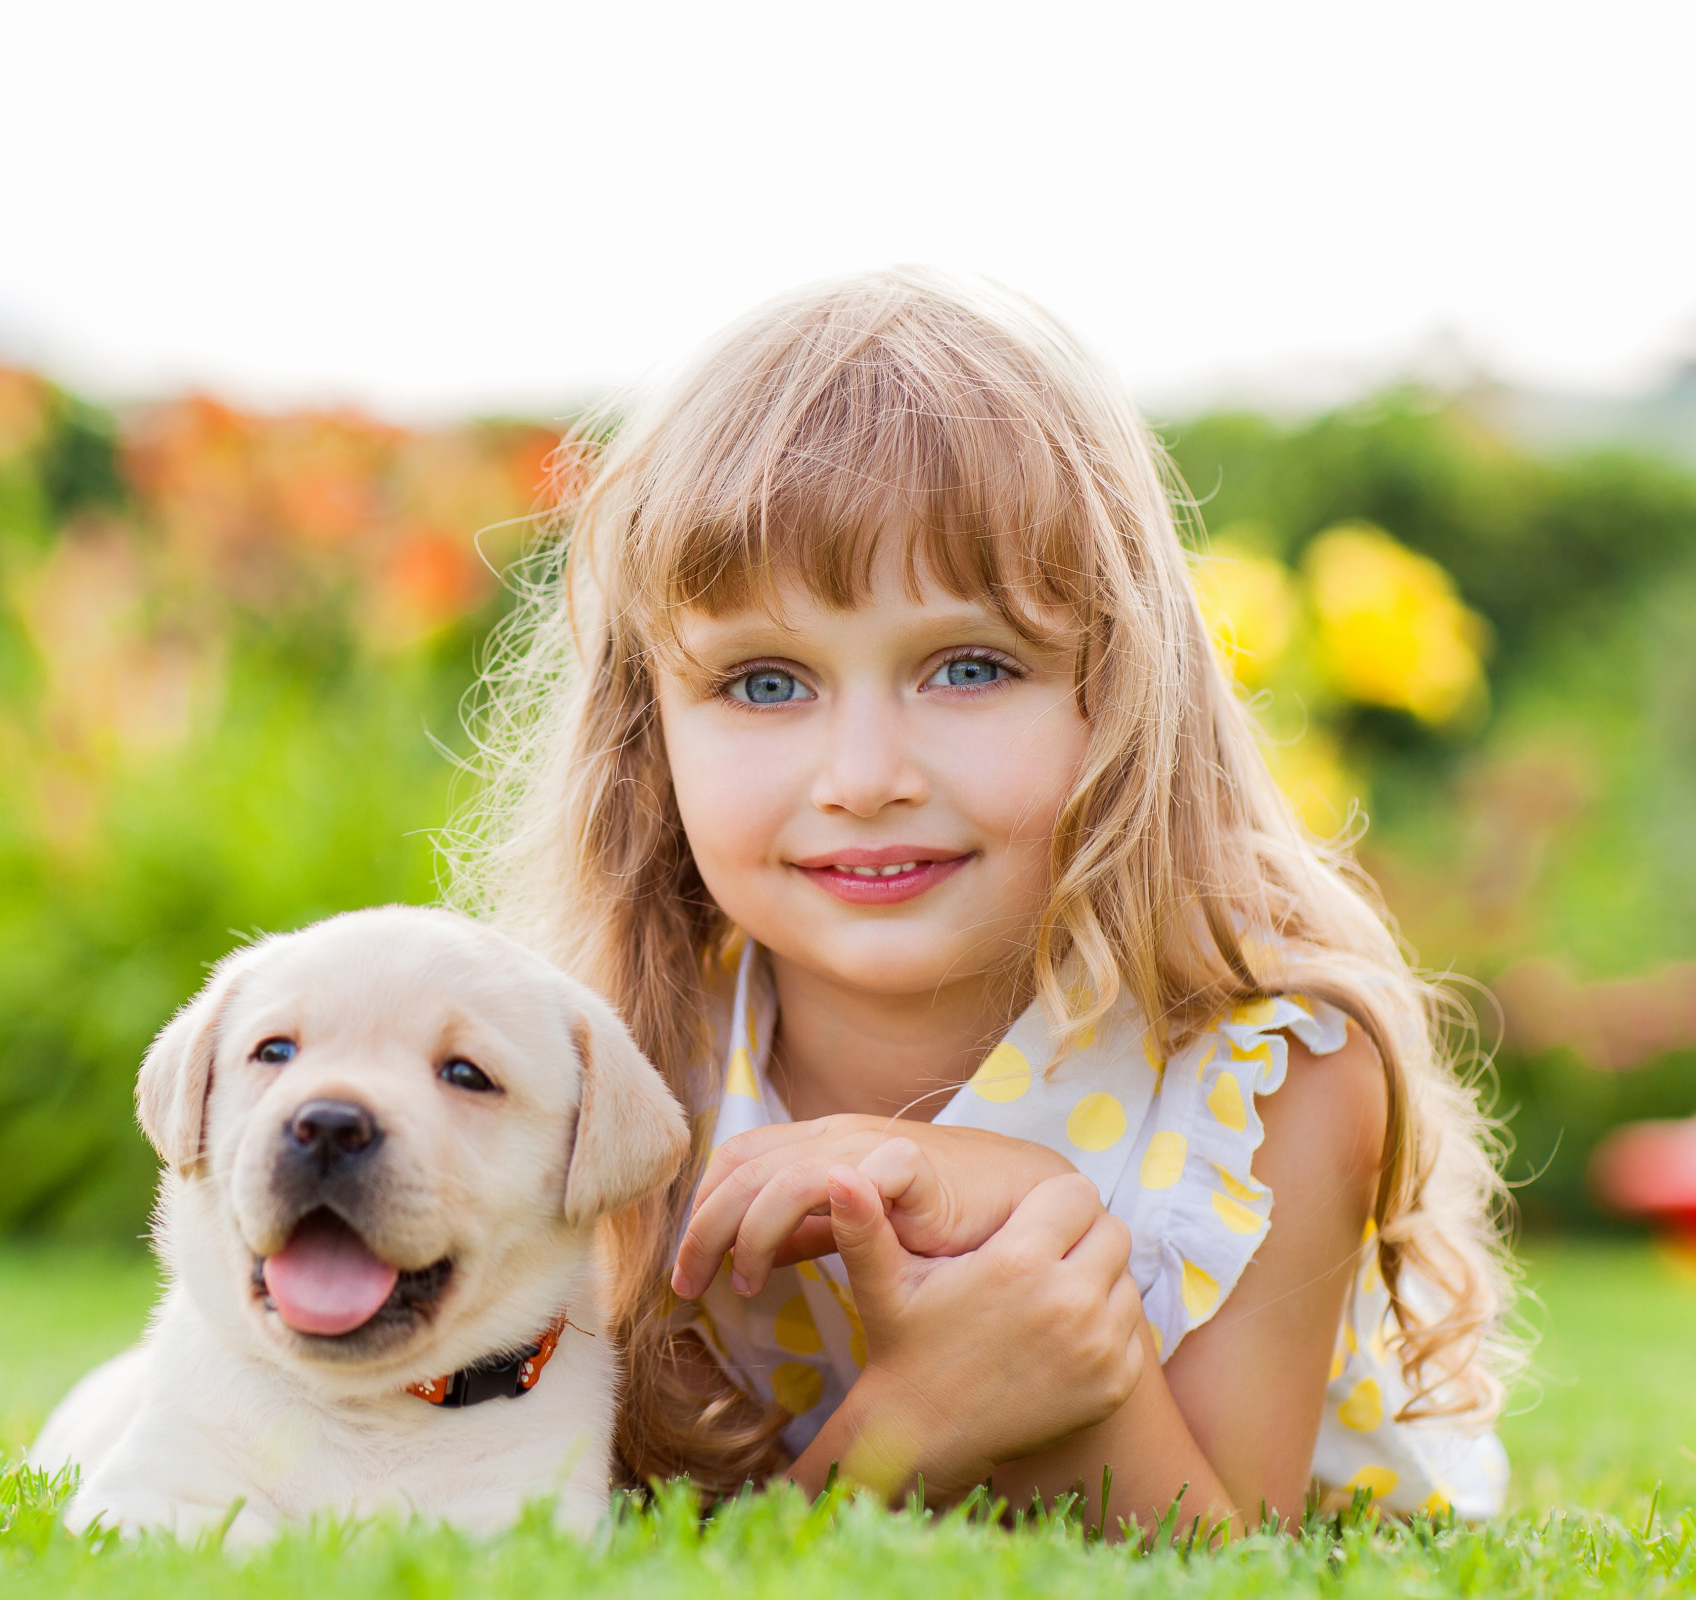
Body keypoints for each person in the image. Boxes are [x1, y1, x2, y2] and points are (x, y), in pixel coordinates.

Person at [448, 268, 1515, 1537]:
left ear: (1119, 690)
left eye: (967, 666)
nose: (862, 779)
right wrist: (922, 1415)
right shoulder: (622, 1079)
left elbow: (1224, 1556)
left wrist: (1051, 1313)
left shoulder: (1266, 1079)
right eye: (764, 682)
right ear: (647, 732)